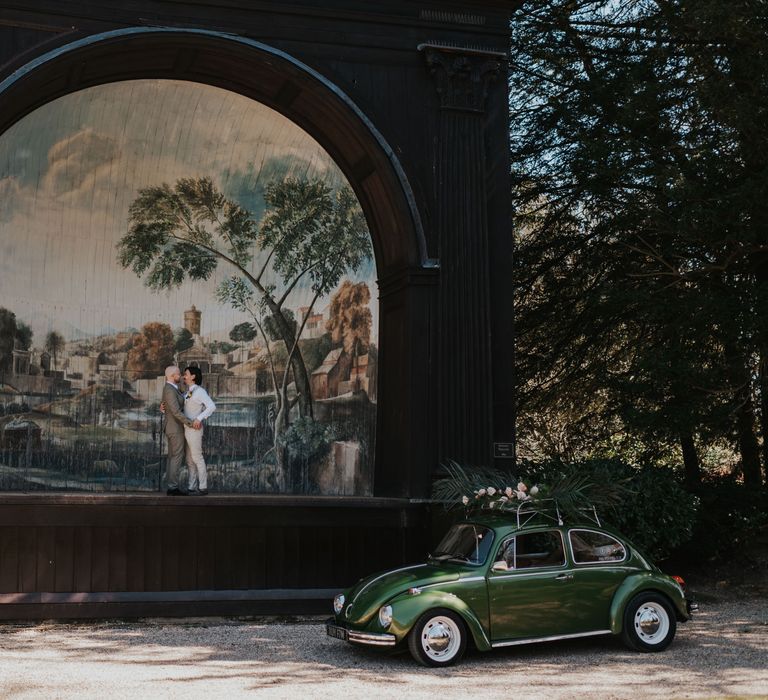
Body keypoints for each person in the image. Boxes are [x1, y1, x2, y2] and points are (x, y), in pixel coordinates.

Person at [161, 365, 196, 496]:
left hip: (172, 427)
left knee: (172, 457)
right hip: (175, 428)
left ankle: (171, 486)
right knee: (176, 457)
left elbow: (167, 405)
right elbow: (175, 411)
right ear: (171, 376)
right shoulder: (170, 389)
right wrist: (190, 423)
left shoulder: (173, 388)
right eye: (178, 374)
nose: (180, 376)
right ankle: (173, 487)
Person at [182, 366, 216, 495]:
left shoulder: (200, 391)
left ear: (193, 376)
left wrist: (199, 418)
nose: (184, 376)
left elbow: (212, 406)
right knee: (190, 460)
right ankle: (192, 487)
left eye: (186, 374)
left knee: (197, 458)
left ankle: (203, 487)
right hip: (187, 429)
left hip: (194, 430)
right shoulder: (190, 391)